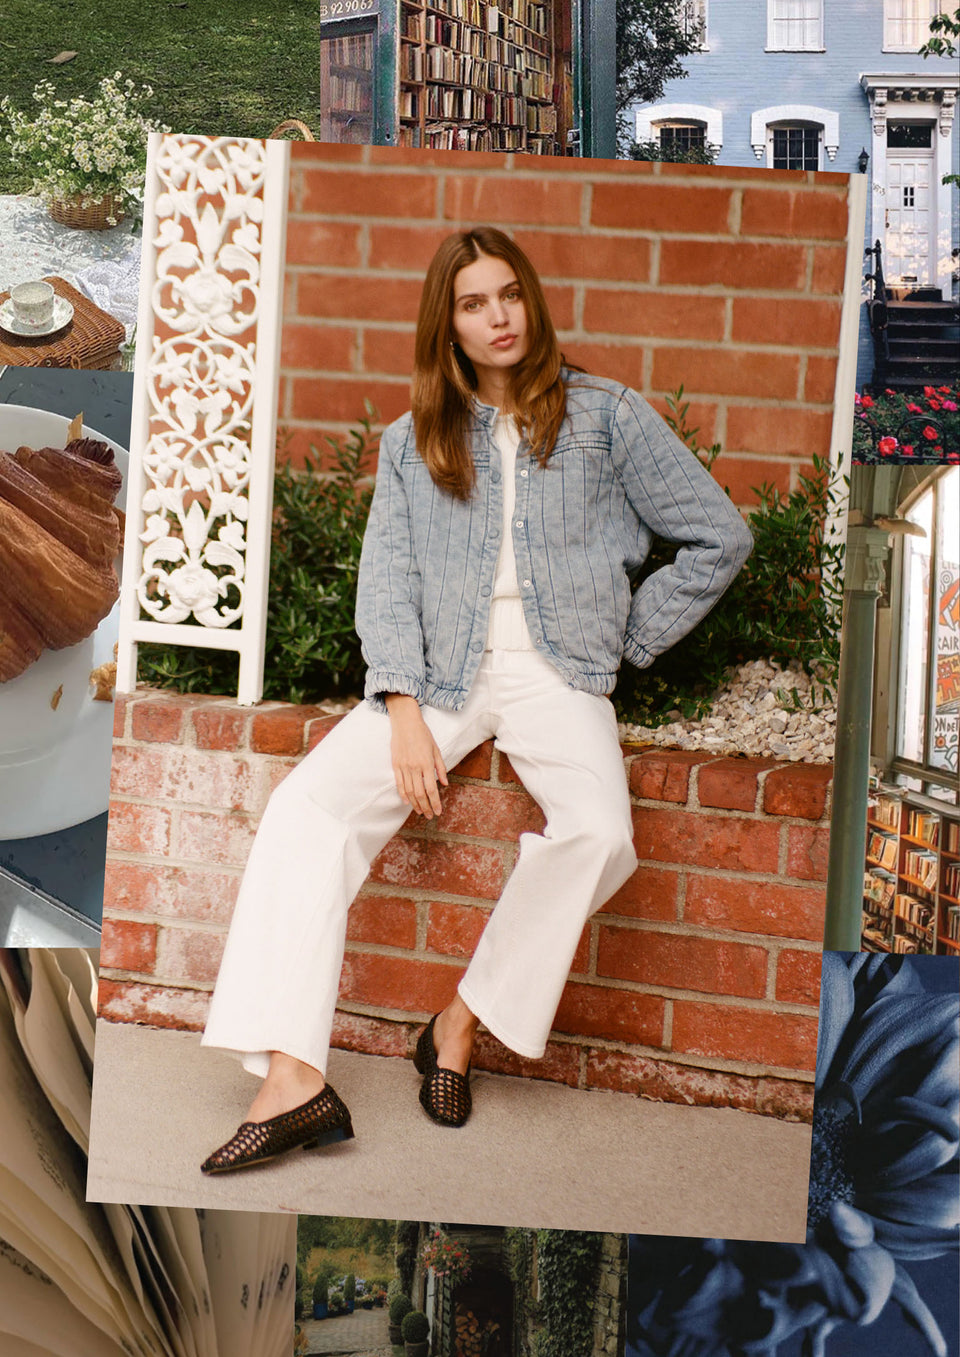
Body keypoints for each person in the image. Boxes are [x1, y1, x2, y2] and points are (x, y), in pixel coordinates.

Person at [199, 226, 753, 1173]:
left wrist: (623, 636)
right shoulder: (414, 441)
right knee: (305, 810)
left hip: (557, 671)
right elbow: (388, 582)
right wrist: (403, 708)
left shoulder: (606, 416)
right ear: (447, 326)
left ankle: (455, 1024)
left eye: (509, 295)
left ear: (531, 303)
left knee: (600, 830)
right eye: (472, 303)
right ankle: (293, 1078)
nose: (497, 316)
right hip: (444, 669)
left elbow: (719, 535)